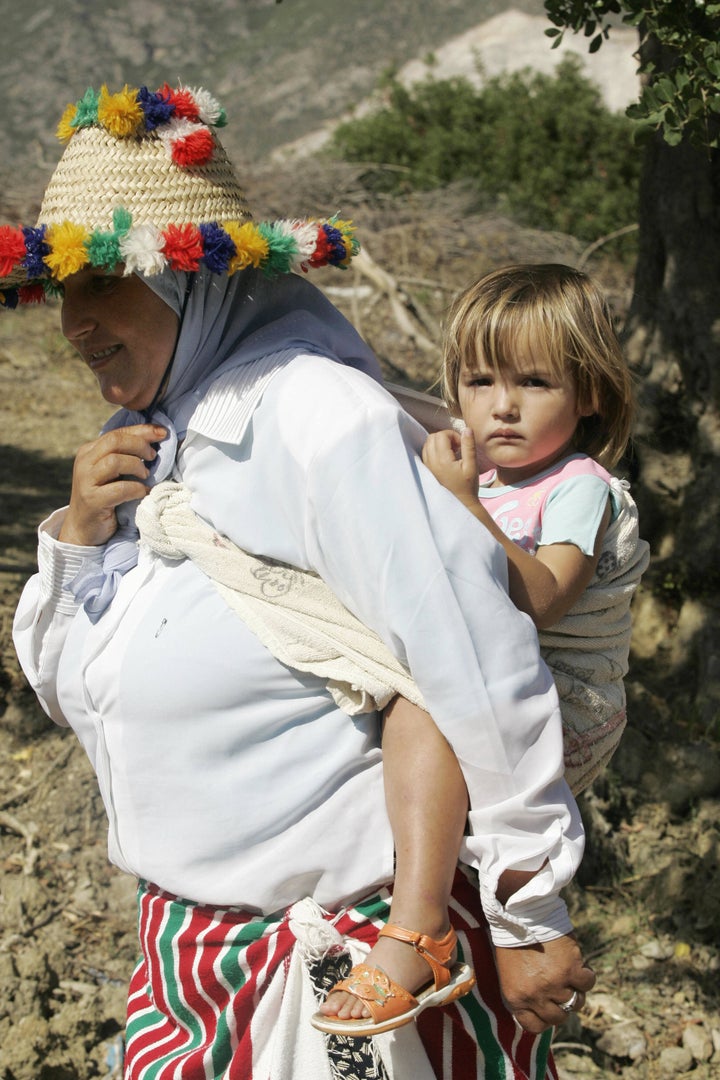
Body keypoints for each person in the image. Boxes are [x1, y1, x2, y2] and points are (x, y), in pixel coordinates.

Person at [5, 81, 594, 1078]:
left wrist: (527, 906)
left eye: (103, 281)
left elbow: (472, 653)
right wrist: (75, 538)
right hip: (190, 952)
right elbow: (84, 696)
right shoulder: (151, 440)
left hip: (345, 946)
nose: (74, 321)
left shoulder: (319, 418)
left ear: (192, 284)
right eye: (63, 287)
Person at [318, 264, 648, 1034]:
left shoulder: (578, 485)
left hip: (568, 698)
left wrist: (465, 506)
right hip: (510, 685)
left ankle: (420, 927)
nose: (502, 406)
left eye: (534, 382)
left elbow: (544, 598)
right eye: (478, 381)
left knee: (423, 702)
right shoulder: (491, 472)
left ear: (590, 393)